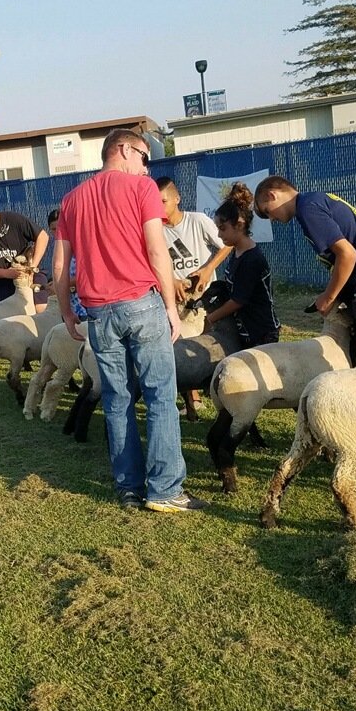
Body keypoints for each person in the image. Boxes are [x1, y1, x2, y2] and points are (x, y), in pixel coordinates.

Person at [54, 128, 207, 513]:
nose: (146, 165)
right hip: (141, 302)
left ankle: (129, 488)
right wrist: (171, 307)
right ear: (122, 150)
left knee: (117, 399)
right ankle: (166, 489)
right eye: (143, 156)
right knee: (159, 396)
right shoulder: (142, 191)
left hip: (99, 312)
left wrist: (66, 311)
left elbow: (59, 265)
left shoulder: (71, 200)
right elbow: (157, 250)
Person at [254, 175, 356, 474]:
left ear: (273, 194)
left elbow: (348, 254)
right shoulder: (316, 200)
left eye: (266, 212)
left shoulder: (307, 209)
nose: (272, 220)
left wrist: (329, 297)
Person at [202, 182, 280, 348]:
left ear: (239, 224)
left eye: (222, 228)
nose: (218, 234)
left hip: (262, 333)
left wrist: (211, 318)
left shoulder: (251, 259)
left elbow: (238, 300)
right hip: (245, 330)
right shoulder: (237, 252)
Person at [157, 176, 231, 304]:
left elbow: (227, 245)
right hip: (177, 301)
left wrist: (208, 269)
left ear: (177, 199)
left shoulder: (197, 220)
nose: (159, 207)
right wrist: (172, 281)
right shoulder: (155, 230)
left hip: (206, 297)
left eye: (163, 201)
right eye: (155, 203)